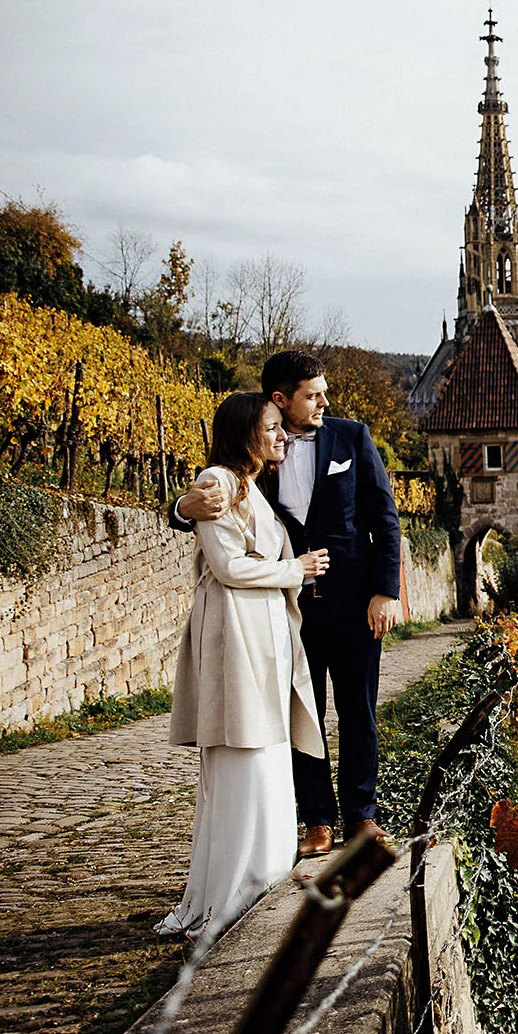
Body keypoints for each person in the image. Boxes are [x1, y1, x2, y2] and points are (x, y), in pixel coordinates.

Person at [173, 350, 404, 857]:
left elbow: (385, 518)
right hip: (288, 608)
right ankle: (317, 820)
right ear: (281, 399)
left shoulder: (352, 437)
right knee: (302, 713)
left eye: (324, 393)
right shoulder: (260, 443)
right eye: (312, 395)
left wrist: (386, 591)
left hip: (355, 604)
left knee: (359, 712)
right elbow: (218, 492)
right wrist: (181, 507)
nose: (324, 403)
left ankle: (362, 816)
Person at [159, 392, 328, 939]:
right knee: (245, 754)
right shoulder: (218, 482)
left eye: (282, 427)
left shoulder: (252, 482)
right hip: (235, 632)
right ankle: (235, 890)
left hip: (264, 633)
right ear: (245, 432)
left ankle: (263, 879)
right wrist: (297, 569)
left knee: (270, 756)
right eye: (272, 427)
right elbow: (229, 566)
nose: (282, 436)